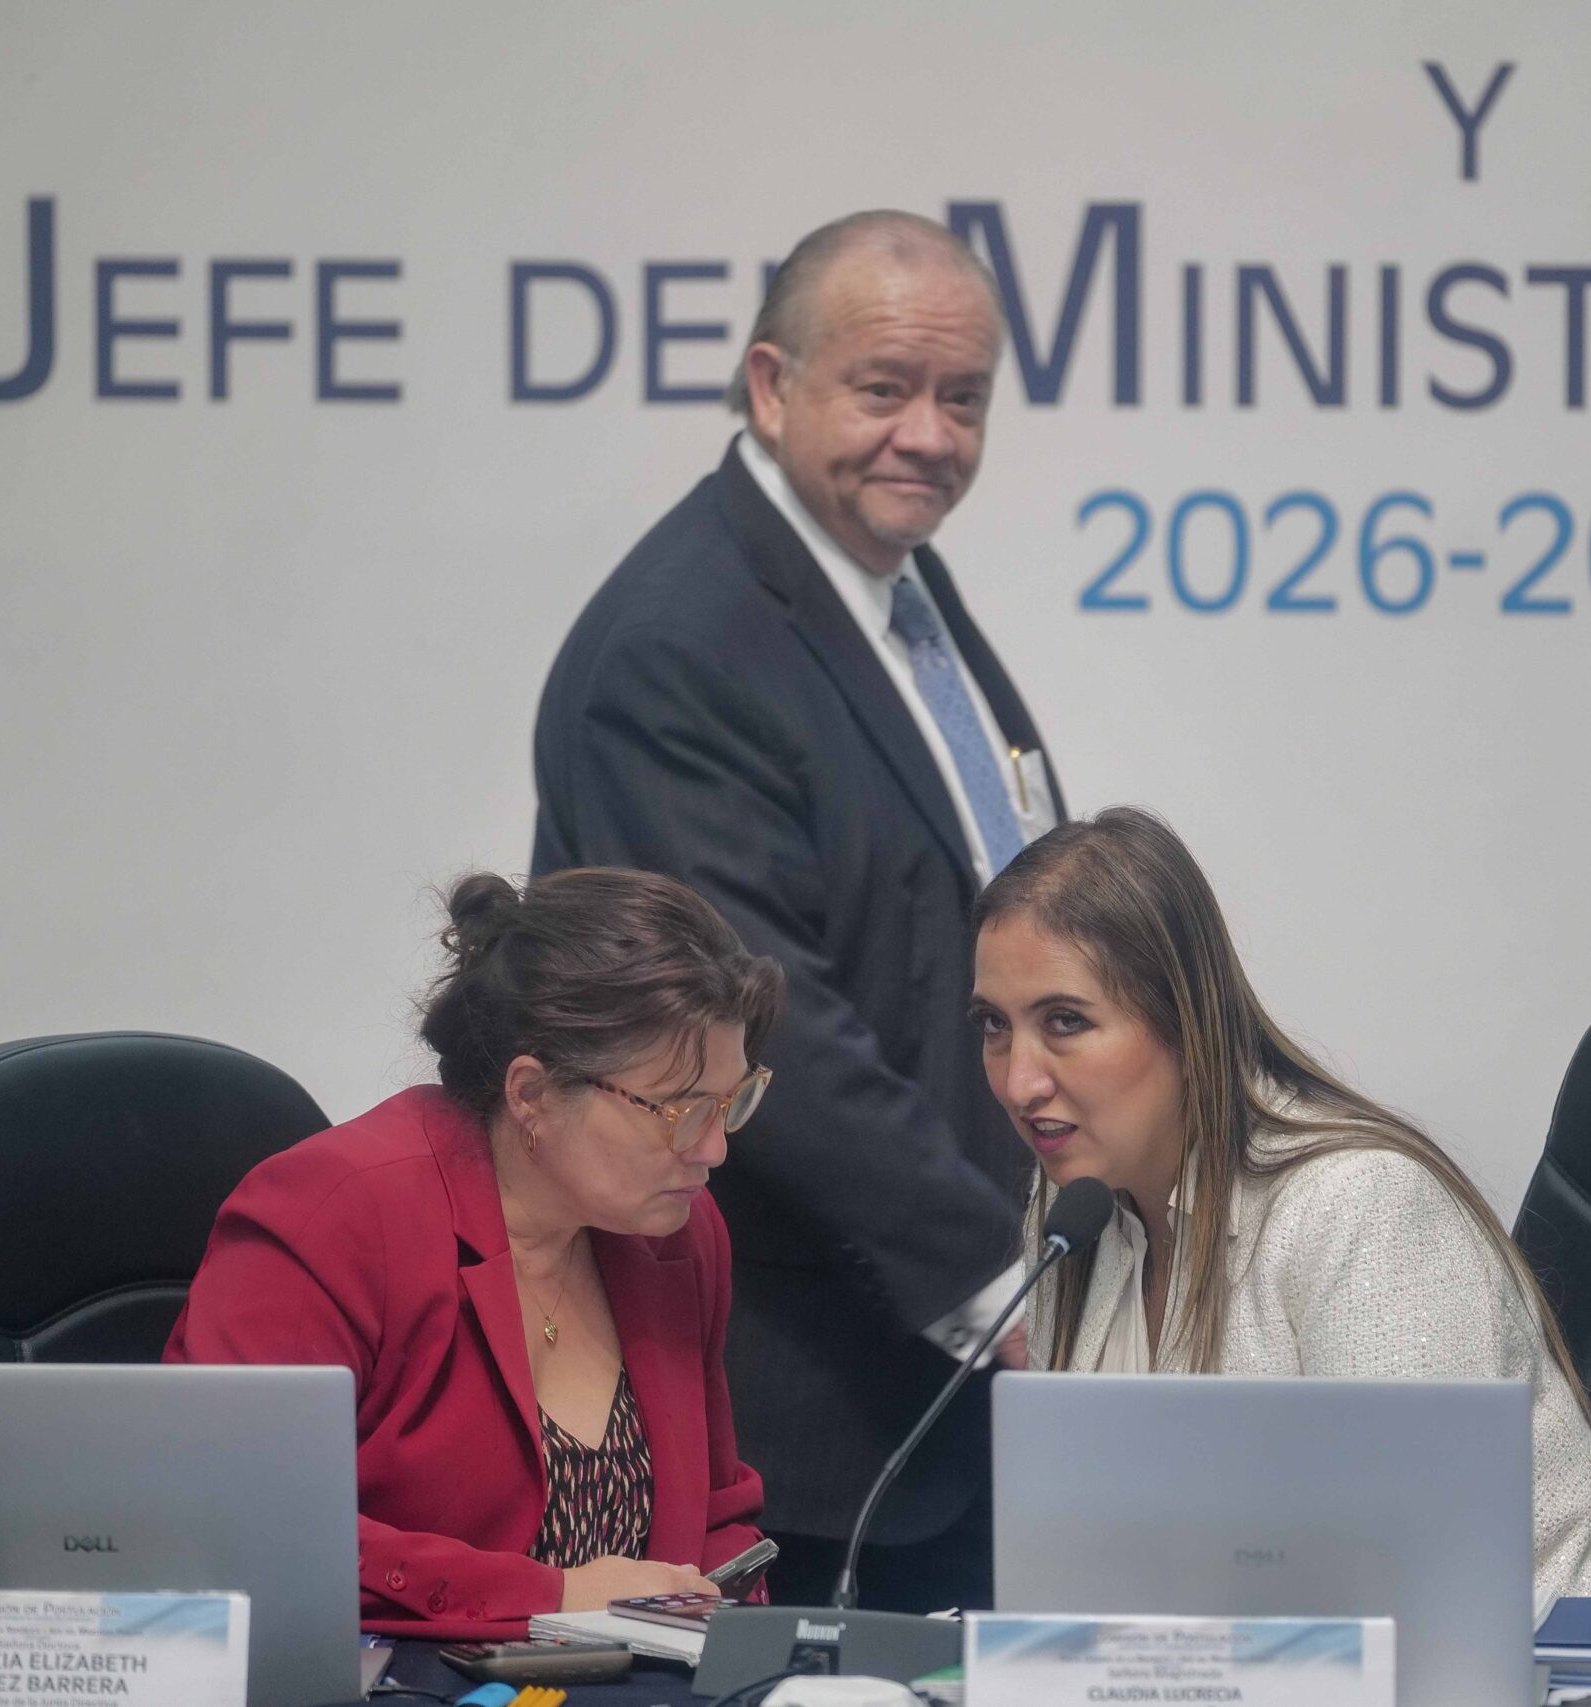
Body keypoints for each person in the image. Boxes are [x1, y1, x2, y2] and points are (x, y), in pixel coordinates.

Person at [531, 210, 1059, 1611]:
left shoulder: (886, 577)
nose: (930, 437)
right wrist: (1005, 1288)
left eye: (963, 398)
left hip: (944, 1410)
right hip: (799, 1428)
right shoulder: (679, 645)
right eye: (885, 388)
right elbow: (769, 1029)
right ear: (771, 385)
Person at [968, 808, 1591, 1605]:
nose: (1018, 1080)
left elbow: (1416, 1580)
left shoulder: (1355, 1205)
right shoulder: (1073, 1215)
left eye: (1065, 1022)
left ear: (1185, 1020)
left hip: (1566, 1658)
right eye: (994, 1026)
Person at [166, 867, 782, 1639]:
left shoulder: (678, 1232)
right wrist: (552, 1595)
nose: (714, 1147)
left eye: (731, 1101)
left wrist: (746, 1643)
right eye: (681, 1109)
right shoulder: (336, 1215)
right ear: (532, 1094)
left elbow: (718, 1513)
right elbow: (238, 1520)